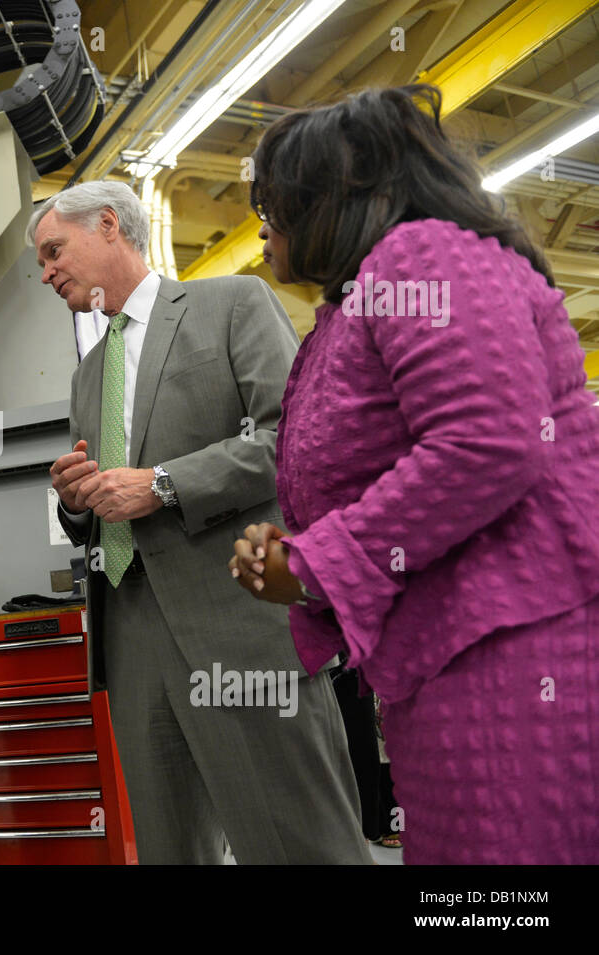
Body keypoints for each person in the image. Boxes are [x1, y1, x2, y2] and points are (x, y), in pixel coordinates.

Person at [231, 83, 599, 864]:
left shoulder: (424, 255)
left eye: (276, 197)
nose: (261, 217)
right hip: (453, 658)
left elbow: (489, 437)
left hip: (515, 653)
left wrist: (316, 559)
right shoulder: (363, 300)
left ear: (336, 193)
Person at [37, 181, 370, 864]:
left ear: (108, 225)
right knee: (169, 847)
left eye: (53, 251)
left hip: (238, 626)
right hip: (132, 641)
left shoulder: (231, 304)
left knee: (298, 842)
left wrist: (163, 483)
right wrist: (76, 501)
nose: (46, 272)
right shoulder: (87, 375)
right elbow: (104, 505)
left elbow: (293, 440)